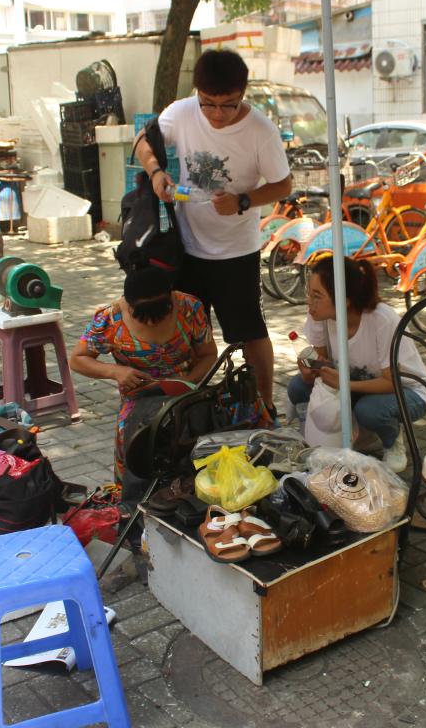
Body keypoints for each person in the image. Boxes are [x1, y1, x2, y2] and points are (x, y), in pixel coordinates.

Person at [132, 49, 293, 413]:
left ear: (243, 94)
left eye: (228, 105)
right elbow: (142, 140)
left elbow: (283, 185)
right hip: (188, 248)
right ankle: (189, 406)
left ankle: (264, 406)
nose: (217, 114)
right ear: (197, 93)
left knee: (249, 332)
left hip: (237, 252)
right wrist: (156, 172)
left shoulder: (261, 131)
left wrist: (243, 200)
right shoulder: (182, 112)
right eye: (208, 103)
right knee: (188, 334)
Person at [68, 261, 218, 491]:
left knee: (197, 450)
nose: (151, 322)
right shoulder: (110, 319)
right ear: (129, 304)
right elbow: (77, 359)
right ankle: (132, 500)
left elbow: (208, 355)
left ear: (171, 298)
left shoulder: (189, 307)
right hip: (139, 399)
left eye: (160, 314)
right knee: (133, 445)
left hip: (187, 393)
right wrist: (115, 371)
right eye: (142, 316)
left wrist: (188, 382)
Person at [286, 255, 426, 473]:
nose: (309, 302)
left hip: (406, 392)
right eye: (309, 293)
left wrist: (344, 384)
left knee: (369, 410)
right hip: (356, 387)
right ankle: (316, 434)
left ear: (345, 300)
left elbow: (392, 382)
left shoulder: (381, 319)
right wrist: (311, 369)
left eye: (317, 296)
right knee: (298, 386)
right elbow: (321, 361)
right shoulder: (319, 317)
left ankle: (391, 439)